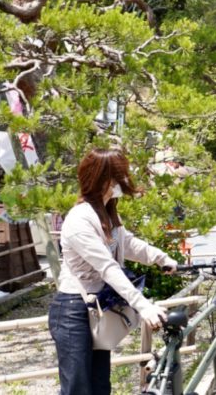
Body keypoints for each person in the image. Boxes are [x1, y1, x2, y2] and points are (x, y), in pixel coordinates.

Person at [49, 148, 178, 395]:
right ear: (102, 179)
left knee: (100, 386)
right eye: (119, 176)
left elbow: (128, 244)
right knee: (78, 388)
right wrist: (143, 306)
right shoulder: (79, 219)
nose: (124, 181)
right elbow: (107, 267)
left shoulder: (107, 212)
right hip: (72, 310)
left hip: (96, 305)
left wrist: (162, 258)